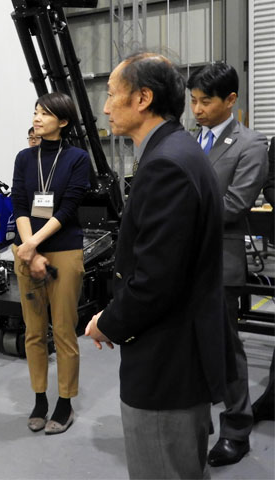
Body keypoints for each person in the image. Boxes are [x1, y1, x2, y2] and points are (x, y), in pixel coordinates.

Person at [85, 53, 229, 479]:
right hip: (177, 354)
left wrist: (108, 322)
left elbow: (156, 282)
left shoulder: (166, 164)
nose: (106, 107)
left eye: (112, 95)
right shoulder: (176, 151)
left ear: (142, 98)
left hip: (168, 364)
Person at [187, 61, 269, 467]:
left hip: (219, 261)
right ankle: (195, 422)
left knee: (225, 348)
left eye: (205, 102)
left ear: (231, 99)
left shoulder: (251, 144)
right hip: (182, 260)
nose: (197, 110)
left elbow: (234, 204)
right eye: (193, 101)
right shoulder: (190, 140)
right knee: (187, 347)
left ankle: (237, 429)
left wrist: (176, 212)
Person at [11, 92, 90, 435]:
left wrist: (31, 245)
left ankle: (65, 401)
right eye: (36, 112)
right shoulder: (24, 158)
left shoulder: (77, 158)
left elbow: (68, 208)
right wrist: (29, 249)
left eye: (45, 113)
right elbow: (19, 203)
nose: (37, 118)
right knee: (33, 331)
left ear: (63, 121)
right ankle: (40, 398)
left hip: (64, 250)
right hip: (28, 251)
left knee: (63, 330)